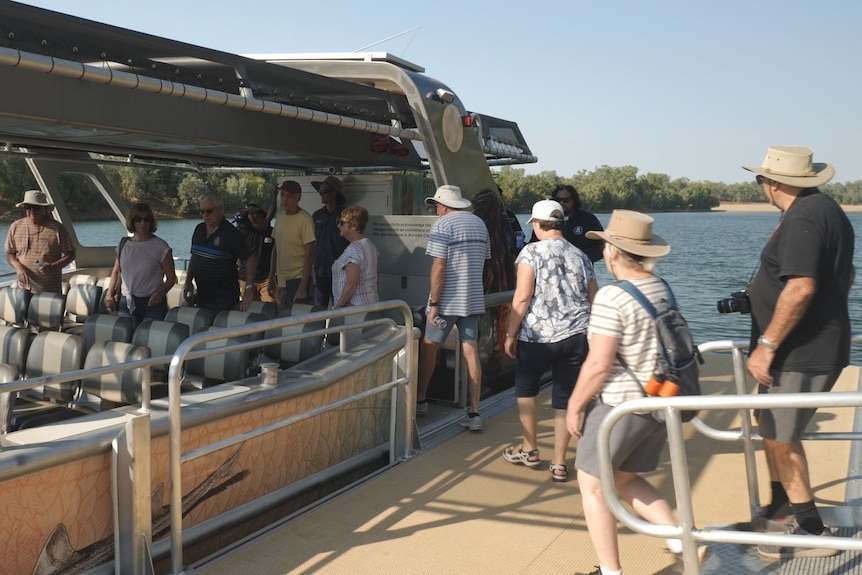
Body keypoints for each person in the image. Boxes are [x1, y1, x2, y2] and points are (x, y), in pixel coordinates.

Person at [741, 146, 854, 559]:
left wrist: (767, 346)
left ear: (774, 183)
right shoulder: (828, 211)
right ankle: (778, 512)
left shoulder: (805, 216)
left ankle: (810, 533)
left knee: (783, 437)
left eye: (761, 179)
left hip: (799, 351)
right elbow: (846, 275)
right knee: (772, 428)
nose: (762, 186)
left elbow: (801, 285)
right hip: (810, 344)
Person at [566, 210, 683, 575]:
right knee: (625, 479)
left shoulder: (613, 297)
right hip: (660, 401)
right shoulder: (660, 287)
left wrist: (575, 405)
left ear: (613, 252)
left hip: (621, 405)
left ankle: (610, 570)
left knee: (593, 486)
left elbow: (599, 364)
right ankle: (687, 542)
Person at [503, 200, 596, 482]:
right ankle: (559, 463)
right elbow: (595, 297)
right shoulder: (581, 255)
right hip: (576, 336)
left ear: (538, 224)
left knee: (527, 391)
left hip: (536, 336)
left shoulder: (530, 252)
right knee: (564, 399)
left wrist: (510, 333)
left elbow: (522, 297)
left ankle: (530, 449)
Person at [415, 185, 490, 430]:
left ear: (445, 205)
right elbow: (484, 261)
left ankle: (421, 401)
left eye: (436, 204)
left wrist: (434, 303)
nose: (435, 209)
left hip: (446, 300)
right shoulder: (479, 223)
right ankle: (474, 412)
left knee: (429, 347)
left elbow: (439, 266)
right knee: (471, 350)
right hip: (473, 299)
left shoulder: (443, 225)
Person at [105, 203, 177, 329]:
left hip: (153, 303)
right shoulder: (124, 245)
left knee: (151, 341)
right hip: (126, 302)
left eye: (147, 219)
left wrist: (160, 294)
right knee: (127, 342)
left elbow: (171, 278)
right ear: (132, 222)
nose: (143, 223)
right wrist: (109, 296)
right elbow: (116, 272)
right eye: (138, 219)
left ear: (151, 222)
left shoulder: (161, 246)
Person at [184, 191, 256, 314]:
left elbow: (250, 259)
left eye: (209, 211)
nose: (205, 215)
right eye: (202, 211)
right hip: (202, 296)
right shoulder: (199, 230)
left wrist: (249, 289)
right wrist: (188, 282)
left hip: (225, 299)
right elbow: (194, 257)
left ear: (221, 209)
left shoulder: (231, 234)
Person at [5, 189, 76, 294]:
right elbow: (9, 253)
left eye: (36, 208)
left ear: (44, 209)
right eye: (28, 208)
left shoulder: (58, 228)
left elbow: (71, 255)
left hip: (50, 290)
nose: (32, 211)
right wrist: (18, 267)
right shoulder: (15, 226)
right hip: (23, 290)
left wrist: (53, 267)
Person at [268, 180, 315, 306]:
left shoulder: (305, 219)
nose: (285, 199)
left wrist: (303, 287)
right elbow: (276, 249)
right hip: (282, 281)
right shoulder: (280, 216)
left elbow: (309, 255)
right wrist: (271, 277)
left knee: (298, 322)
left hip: (298, 280)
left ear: (298, 198)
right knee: (282, 321)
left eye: (289, 196)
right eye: (282, 195)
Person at [530, 184, 604, 263]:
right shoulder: (546, 219)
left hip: (581, 265)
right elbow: (534, 243)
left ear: (574, 200)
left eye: (566, 200)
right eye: (558, 200)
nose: (562, 203)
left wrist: (581, 257)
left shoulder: (588, 219)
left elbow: (602, 246)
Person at [312, 176, 349, 307]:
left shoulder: (345, 215)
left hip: (340, 271)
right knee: (317, 310)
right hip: (320, 270)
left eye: (324, 192)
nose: (321, 195)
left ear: (334, 193)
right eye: (320, 192)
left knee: (339, 307)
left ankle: (339, 328)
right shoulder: (316, 216)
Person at [331, 206, 378, 308]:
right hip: (370, 303)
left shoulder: (354, 249)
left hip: (354, 307)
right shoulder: (369, 245)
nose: (339, 226)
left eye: (342, 223)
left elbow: (352, 282)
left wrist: (339, 305)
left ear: (354, 226)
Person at [235, 203, 275, 302]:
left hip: (265, 279)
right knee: (248, 308)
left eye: (254, 213)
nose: (251, 217)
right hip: (246, 279)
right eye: (249, 214)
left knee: (269, 306)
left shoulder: (272, 232)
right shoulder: (243, 231)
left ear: (262, 214)